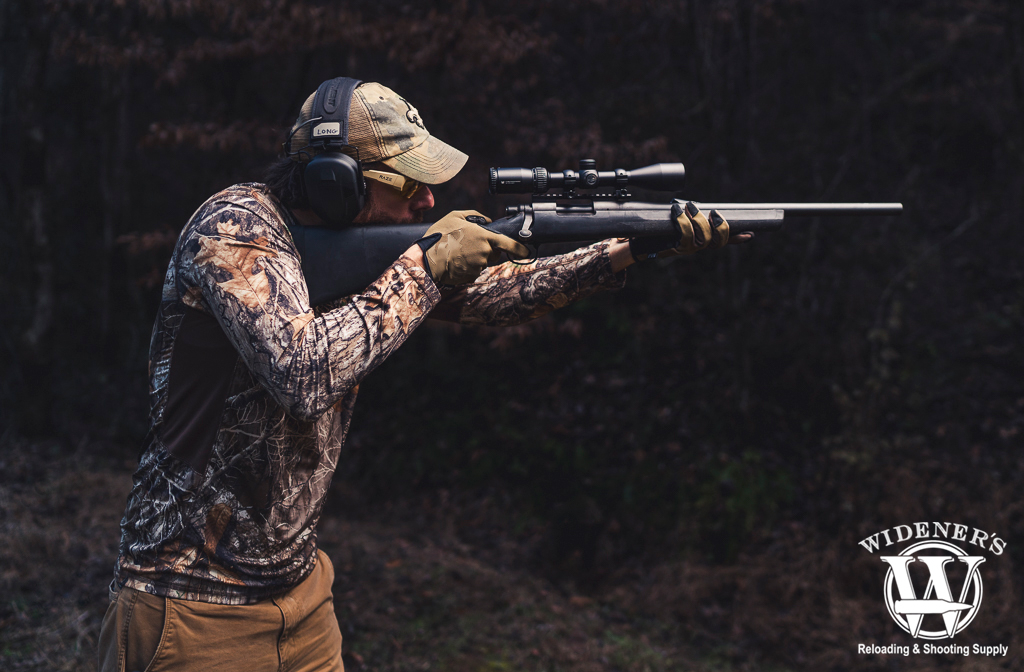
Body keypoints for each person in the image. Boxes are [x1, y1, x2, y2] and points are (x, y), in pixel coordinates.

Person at [97, 79, 737, 672]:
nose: (428, 200)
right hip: (191, 605)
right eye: (408, 184)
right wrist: (426, 269)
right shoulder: (234, 229)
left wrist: (625, 248)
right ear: (334, 183)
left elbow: (492, 295)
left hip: (301, 596)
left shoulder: (370, 250)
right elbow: (305, 373)